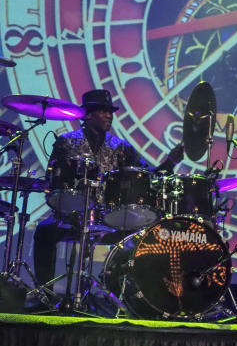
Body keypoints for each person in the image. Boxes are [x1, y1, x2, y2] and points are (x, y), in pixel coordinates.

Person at [32, 89, 182, 292]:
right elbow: (54, 183)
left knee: (141, 237)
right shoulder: (66, 142)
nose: (109, 115)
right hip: (70, 216)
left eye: (110, 111)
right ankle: (44, 293)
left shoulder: (121, 147)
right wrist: (68, 207)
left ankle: (124, 292)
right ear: (88, 114)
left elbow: (148, 176)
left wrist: (170, 162)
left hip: (108, 218)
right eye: (103, 111)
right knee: (43, 232)